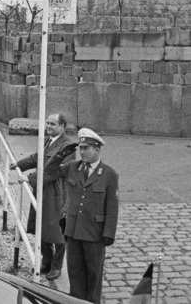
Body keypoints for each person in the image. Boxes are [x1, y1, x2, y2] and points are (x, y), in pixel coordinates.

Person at [45, 128, 119, 304]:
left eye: (86, 148)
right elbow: (49, 172)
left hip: (95, 235)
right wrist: (61, 154)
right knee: (75, 273)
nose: (82, 152)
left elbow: (112, 207)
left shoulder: (109, 174)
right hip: (73, 232)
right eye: (81, 148)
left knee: (94, 276)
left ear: (97, 149)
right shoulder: (73, 168)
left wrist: (108, 234)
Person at [10, 113, 77, 280]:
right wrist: (19, 164)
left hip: (57, 193)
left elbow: (55, 171)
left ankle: (56, 266)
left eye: (53, 124)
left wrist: (31, 178)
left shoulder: (68, 146)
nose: (48, 127)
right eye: (47, 123)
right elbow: (37, 158)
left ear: (62, 126)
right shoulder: (48, 141)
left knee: (56, 231)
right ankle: (46, 260)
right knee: (41, 227)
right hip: (42, 190)